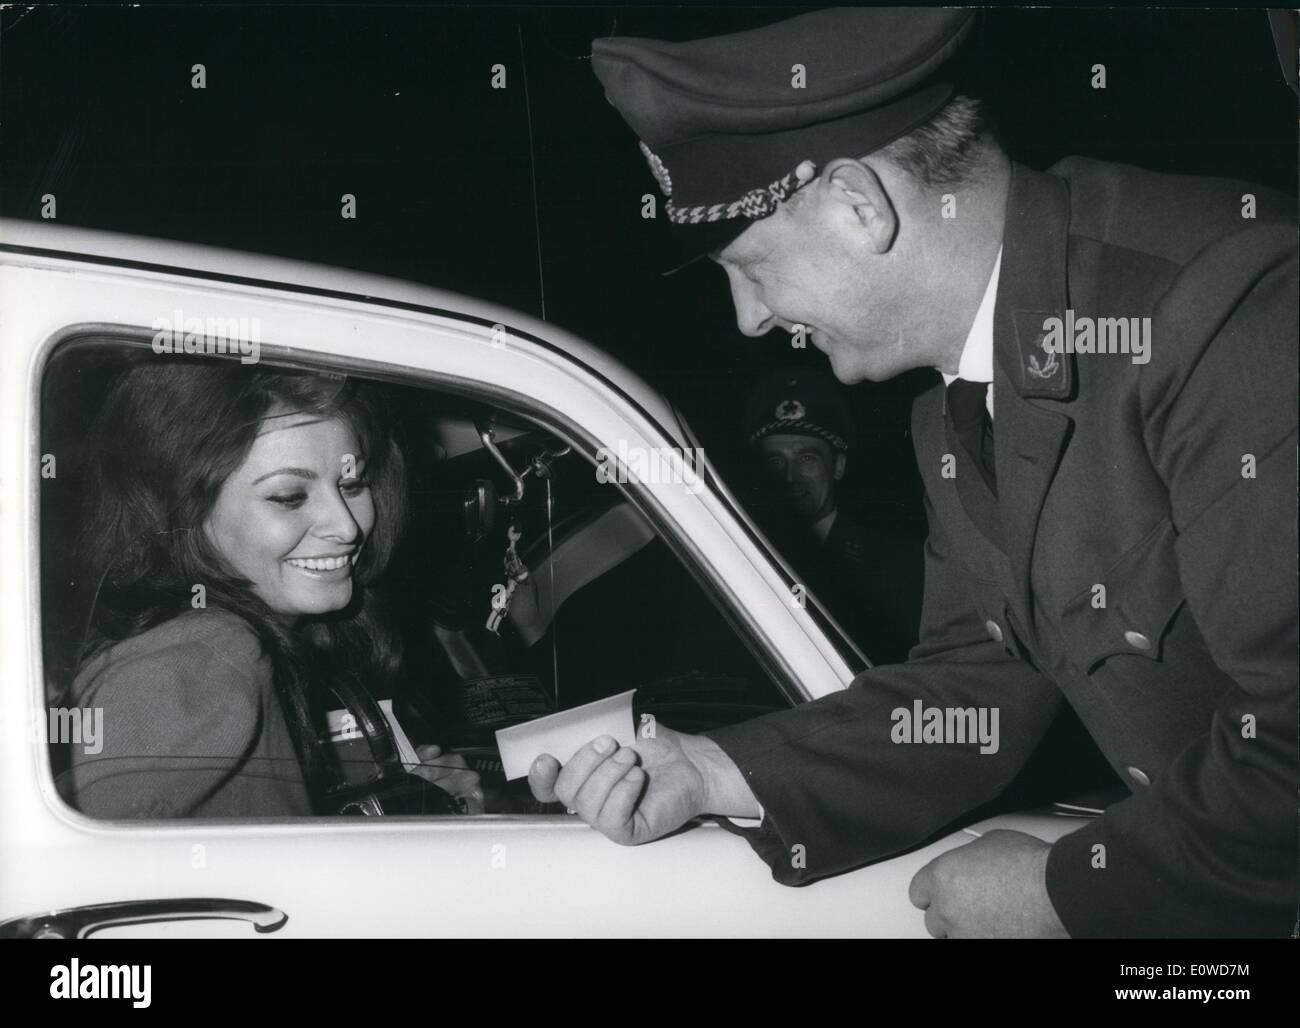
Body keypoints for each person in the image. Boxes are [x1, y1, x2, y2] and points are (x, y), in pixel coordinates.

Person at [529, 8, 1298, 937]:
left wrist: (1068, 892)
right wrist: (713, 772)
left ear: (861, 204)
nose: (749, 320)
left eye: (751, 267)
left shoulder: (1222, 305)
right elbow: (976, 686)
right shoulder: (958, 399)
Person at [64, 360, 482, 818]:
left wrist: (406, 809)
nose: (346, 525)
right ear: (184, 512)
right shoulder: (201, 656)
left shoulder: (262, 641)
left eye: (352, 483)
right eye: (288, 497)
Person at [742, 367, 922, 663]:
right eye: (775, 460)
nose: (790, 477)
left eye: (807, 458)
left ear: (837, 467)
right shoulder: (743, 552)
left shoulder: (898, 565)